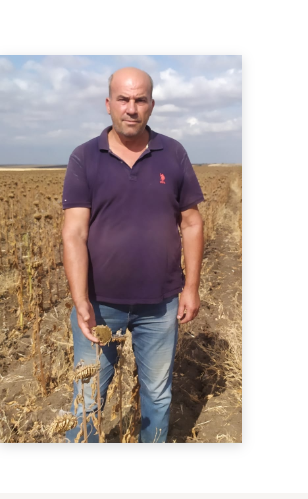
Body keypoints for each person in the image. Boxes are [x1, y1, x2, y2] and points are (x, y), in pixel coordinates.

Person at [61, 67, 204, 443]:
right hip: (99, 305)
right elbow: (74, 232)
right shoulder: (84, 157)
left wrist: (191, 287)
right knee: (87, 398)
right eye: (123, 99)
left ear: (151, 105)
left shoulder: (173, 153)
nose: (131, 108)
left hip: (160, 306)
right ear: (108, 104)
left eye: (140, 100)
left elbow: (191, 223)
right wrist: (80, 300)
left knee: (157, 395)